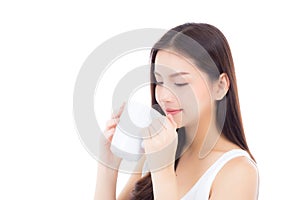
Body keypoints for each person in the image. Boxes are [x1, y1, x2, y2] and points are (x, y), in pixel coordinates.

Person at [94, 23, 259, 200]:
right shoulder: (157, 152)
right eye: (159, 82)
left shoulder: (238, 172)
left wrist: (163, 171)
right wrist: (107, 167)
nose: (164, 96)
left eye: (180, 83)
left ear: (220, 86)